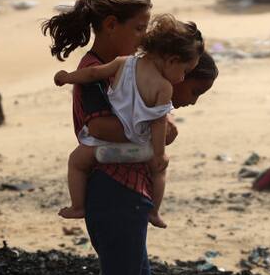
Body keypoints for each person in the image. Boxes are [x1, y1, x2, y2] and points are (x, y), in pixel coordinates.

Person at [35, 53, 219, 275]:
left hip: (126, 194)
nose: (192, 101)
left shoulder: (132, 76)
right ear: (180, 73)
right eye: (195, 91)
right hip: (118, 194)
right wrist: (157, 131)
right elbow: (108, 130)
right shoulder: (129, 77)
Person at [42, 0, 155, 275]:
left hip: (130, 188)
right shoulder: (91, 71)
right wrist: (151, 128)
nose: (143, 37)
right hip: (111, 190)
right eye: (139, 28)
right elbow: (103, 127)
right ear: (111, 25)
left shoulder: (119, 69)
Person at [54, 14, 204, 229]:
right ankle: (154, 211)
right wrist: (159, 153)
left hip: (105, 144)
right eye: (184, 71)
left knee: (76, 161)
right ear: (171, 60)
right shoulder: (164, 87)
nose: (182, 78)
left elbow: (93, 73)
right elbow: (158, 123)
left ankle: (77, 206)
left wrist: (67, 77)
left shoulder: (123, 63)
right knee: (159, 169)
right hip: (140, 146)